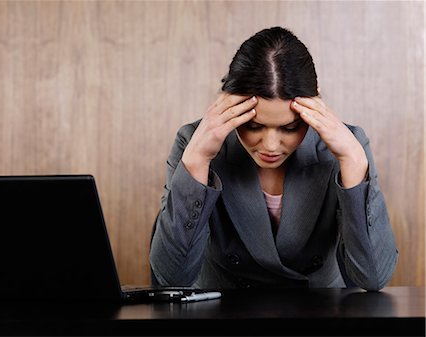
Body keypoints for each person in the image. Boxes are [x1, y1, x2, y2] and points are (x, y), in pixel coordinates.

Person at [149, 26, 398, 291]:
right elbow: (172, 277)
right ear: (227, 104)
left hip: (320, 316)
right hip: (223, 315)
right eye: (253, 126)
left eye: (290, 128)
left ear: (315, 105)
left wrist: (353, 162)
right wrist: (198, 160)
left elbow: (374, 277)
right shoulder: (194, 143)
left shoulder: (347, 147)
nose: (270, 145)